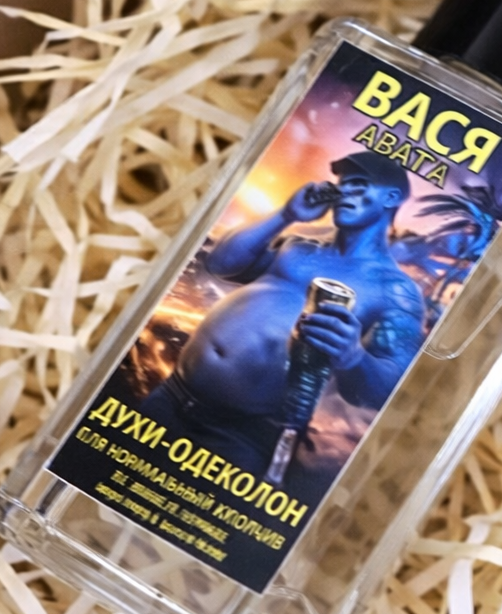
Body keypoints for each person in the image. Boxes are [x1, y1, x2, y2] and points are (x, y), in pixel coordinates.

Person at [140, 152, 425, 481]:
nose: (345, 192)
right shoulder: (299, 249)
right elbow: (220, 263)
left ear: (391, 197)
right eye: (342, 185)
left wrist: (353, 357)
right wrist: (287, 214)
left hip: (239, 434)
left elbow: (388, 388)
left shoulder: (395, 290)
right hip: (171, 395)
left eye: (359, 184)